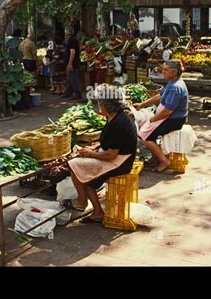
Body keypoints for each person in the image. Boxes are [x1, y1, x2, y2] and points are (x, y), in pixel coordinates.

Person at [61, 85, 137, 223]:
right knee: (80, 168)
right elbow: (110, 143)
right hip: (116, 156)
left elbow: (111, 155)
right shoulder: (115, 116)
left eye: (99, 103)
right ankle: (94, 210)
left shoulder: (118, 123)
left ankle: (82, 202)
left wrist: (90, 154)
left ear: (105, 105)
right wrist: (95, 147)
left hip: (120, 162)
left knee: (74, 166)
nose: (98, 105)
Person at [134, 60, 188, 172]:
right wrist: (142, 104)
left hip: (174, 120)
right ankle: (156, 157)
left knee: (144, 136)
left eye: (166, 70)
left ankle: (164, 161)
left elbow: (168, 111)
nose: (163, 72)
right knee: (147, 131)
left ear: (174, 72)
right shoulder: (172, 82)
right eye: (163, 69)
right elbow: (159, 96)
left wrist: (153, 119)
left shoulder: (175, 87)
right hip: (167, 117)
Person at [61, 27, 82, 100]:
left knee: (73, 79)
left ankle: (78, 94)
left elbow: (72, 52)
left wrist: (70, 64)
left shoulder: (72, 40)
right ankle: (68, 93)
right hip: (71, 62)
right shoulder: (71, 40)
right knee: (69, 78)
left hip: (73, 63)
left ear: (67, 33)